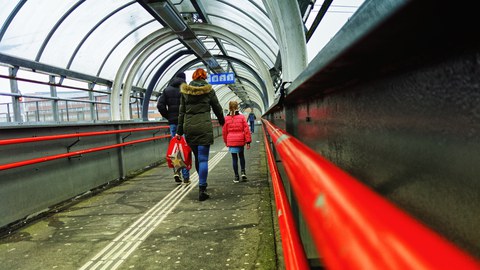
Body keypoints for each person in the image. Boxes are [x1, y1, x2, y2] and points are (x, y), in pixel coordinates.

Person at [176, 68, 225, 201]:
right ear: (204, 77)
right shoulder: (209, 90)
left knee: (197, 157)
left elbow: (181, 113)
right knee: (203, 159)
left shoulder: (185, 91)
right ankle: (202, 187)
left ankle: (201, 182)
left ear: (193, 77)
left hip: (189, 128)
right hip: (204, 127)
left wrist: (179, 132)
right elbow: (217, 108)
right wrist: (222, 121)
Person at [157, 72, 191, 184]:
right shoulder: (186, 89)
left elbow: (160, 105)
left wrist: (169, 116)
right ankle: (186, 177)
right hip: (185, 123)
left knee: (175, 148)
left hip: (173, 123)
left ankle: (177, 172)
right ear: (184, 79)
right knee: (184, 148)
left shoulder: (167, 90)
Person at [223, 101, 251, 183]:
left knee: (234, 158)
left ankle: (236, 176)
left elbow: (224, 132)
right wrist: (248, 141)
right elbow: (246, 129)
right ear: (237, 108)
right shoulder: (242, 117)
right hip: (240, 139)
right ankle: (243, 172)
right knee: (241, 156)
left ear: (229, 108)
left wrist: (226, 142)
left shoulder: (226, 118)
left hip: (231, 140)